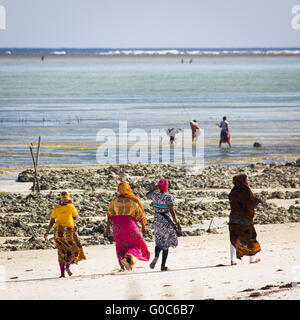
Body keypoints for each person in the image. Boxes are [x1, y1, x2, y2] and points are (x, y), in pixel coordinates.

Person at [106, 182, 150, 271]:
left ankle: (122, 266)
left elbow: (110, 215)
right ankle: (129, 257)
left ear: (119, 190)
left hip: (117, 226)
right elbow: (140, 214)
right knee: (135, 244)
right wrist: (143, 226)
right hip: (130, 225)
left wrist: (107, 227)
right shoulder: (133, 201)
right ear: (128, 189)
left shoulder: (114, 201)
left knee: (120, 245)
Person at [44, 191, 86, 278]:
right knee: (75, 248)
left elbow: (52, 222)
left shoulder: (56, 207)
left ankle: (62, 274)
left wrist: (47, 232)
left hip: (57, 232)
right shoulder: (71, 206)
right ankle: (67, 266)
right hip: (68, 232)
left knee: (61, 251)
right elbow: (75, 217)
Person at [146, 179, 182, 271]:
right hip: (166, 222)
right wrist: (177, 223)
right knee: (166, 244)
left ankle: (156, 255)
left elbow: (147, 194)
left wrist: (154, 189)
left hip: (157, 221)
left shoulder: (154, 196)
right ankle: (163, 266)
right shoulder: (169, 197)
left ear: (159, 186)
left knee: (158, 242)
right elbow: (172, 212)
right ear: (167, 187)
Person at [228, 174, 261, 266]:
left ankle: (233, 260)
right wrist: (257, 200)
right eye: (247, 180)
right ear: (243, 181)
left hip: (234, 219)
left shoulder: (233, 191)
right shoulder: (247, 191)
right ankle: (252, 258)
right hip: (245, 219)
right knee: (251, 238)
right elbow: (250, 206)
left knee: (234, 239)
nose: (248, 181)